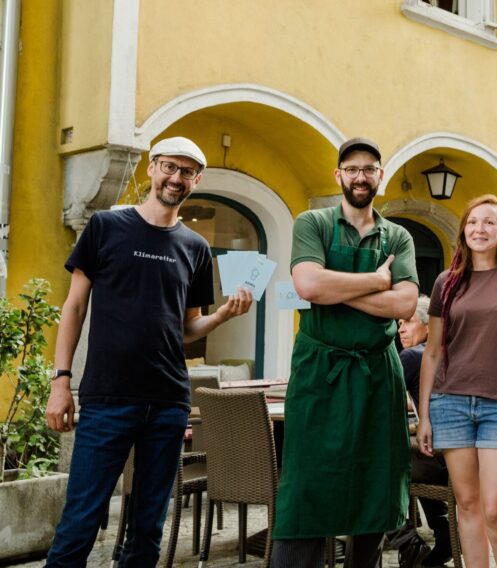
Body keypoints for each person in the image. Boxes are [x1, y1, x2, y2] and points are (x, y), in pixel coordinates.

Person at [43, 137, 253, 567]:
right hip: (107, 399)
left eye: (187, 172)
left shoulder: (195, 247)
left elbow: (187, 326)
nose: (177, 178)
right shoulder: (105, 226)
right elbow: (74, 306)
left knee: (148, 529)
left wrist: (222, 318)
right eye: (170, 167)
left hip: (168, 402)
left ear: (197, 180)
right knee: (80, 522)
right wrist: (60, 381)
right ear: (153, 168)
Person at [271, 137, 419, 568]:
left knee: (375, 480)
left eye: (368, 169)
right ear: (339, 176)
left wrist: (334, 290)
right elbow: (308, 286)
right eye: (351, 169)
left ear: (380, 177)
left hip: (378, 374)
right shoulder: (312, 222)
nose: (360, 176)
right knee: (307, 483)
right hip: (320, 372)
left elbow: (405, 304)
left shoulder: (399, 236)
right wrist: (376, 282)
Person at [417, 194, 497, 568]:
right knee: (467, 506)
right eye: (473, 222)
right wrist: (424, 414)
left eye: (489, 222)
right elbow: (433, 351)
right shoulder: (447, 282)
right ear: (463, 232)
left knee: (495, 509)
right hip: (449, 403)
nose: (480, 229)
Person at [389, 295, 453, 568]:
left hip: (434, 458)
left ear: (428, 326)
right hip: (452, 458)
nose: (400, 329)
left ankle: (408, 544)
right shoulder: (443, 352)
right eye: (399, 323)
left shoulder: (411, 356)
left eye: (408, 322)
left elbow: (382, 397)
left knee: (371, 473)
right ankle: (444, 534)